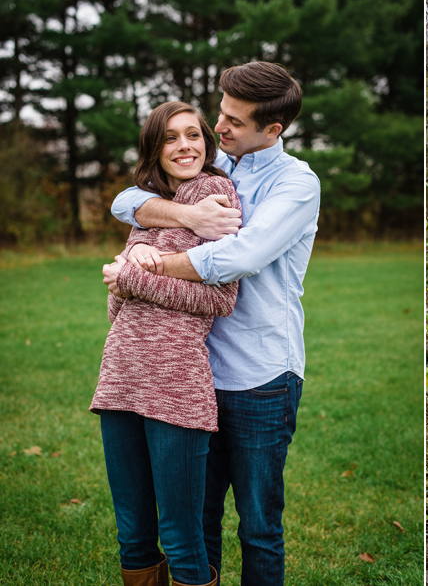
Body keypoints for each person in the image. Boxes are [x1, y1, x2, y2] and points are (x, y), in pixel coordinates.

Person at [106, 61, 321, 585]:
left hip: (260, 375)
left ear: (273, 129)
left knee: (258, 526)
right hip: (192, 374)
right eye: (220, 114)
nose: (217, 129)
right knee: (198, 521)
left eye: (233, 121)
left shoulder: (296, 183)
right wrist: (188, 216)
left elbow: (237, 259)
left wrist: (144, 269)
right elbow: (126, 201)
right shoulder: (215, 164)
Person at [91, 101, 242, 586]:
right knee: (133, 532)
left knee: (180, 534)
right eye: (171, 138)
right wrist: (127, 281)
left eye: (194, 135)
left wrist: (133, 279)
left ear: (207, 141)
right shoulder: (148, 206)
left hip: (176, 386)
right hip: (119, 378)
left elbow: (220, 297)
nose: (185, 146)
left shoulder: (216, 193)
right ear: (154, 149)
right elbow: (121, 300)